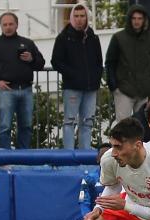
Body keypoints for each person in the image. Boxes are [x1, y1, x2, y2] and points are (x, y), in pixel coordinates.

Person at [0, 12, 45, 149]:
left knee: (26, 126)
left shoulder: (27, 43)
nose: (8, 27)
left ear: (17, 25)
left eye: (10, 24)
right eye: (5, 24)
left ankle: (24, 157)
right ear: (1, 26)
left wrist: (31, 59)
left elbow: (41, 63)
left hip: (26, 90)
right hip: (6, 91)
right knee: (4, 126)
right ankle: (5, 158)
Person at [51, 2, 102, 150]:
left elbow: (99, 62)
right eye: (76, 16)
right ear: (72, 17)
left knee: (87, 122)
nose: (79, 19)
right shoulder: (63, 38)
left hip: (91, 88)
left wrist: (96, 78)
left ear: (87, 17)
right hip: (72, 87)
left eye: (82, 16)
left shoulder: (93, 37)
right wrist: (72, 75)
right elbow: (56, 61)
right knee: (70, 122)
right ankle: (69, 154)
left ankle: (84, 154)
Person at [105, 4, 150, 121]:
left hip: (145, 90)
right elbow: (110, 63)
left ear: (144, 20)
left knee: (143, 125)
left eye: (140, 18)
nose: (136, 21)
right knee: (123, 126)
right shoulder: (118, 38)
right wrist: (114, 86)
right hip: (123, 90)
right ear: (129, 19)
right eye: (134, 18)